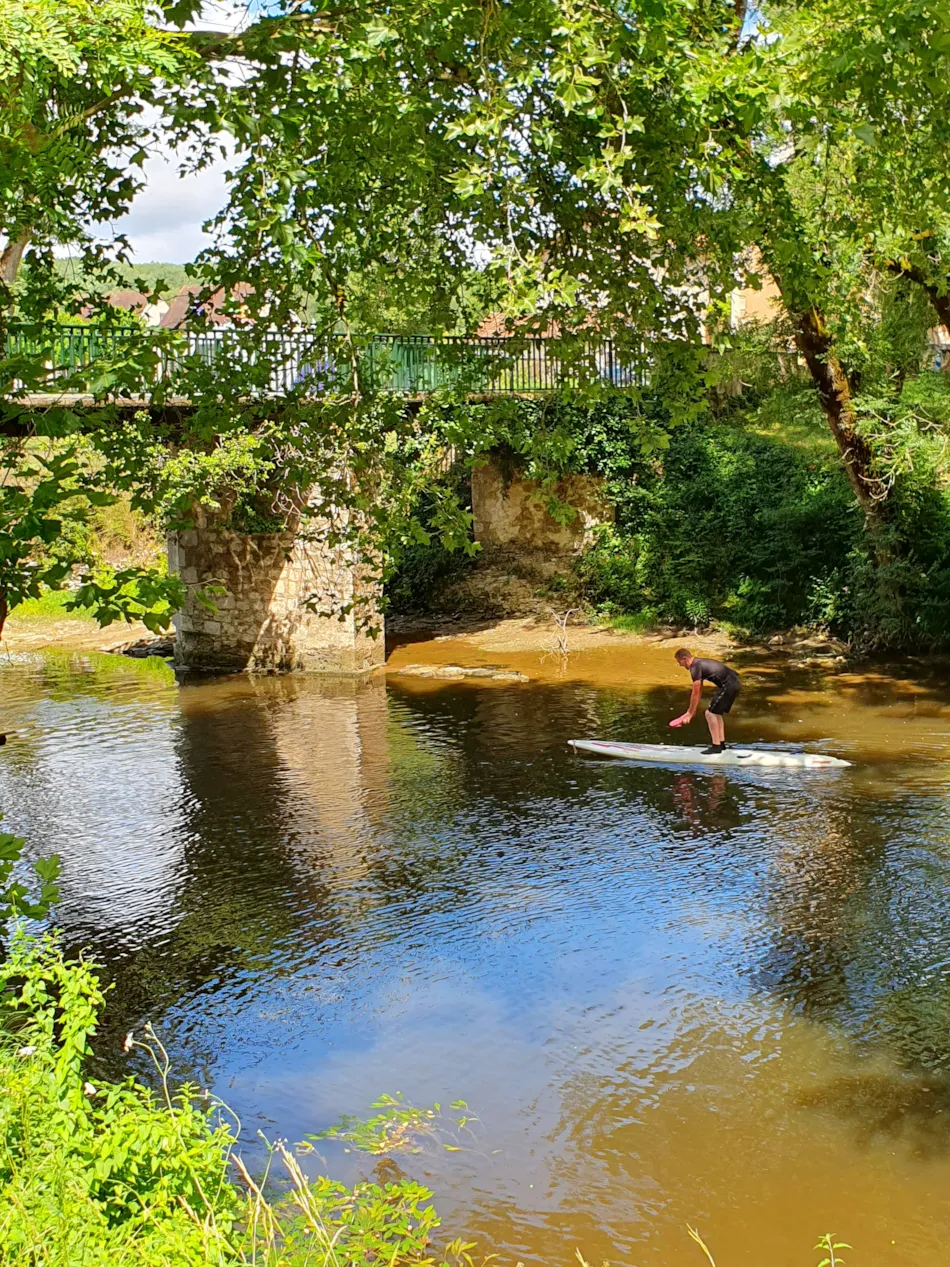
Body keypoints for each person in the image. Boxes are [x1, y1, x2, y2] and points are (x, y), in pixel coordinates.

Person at [670, 649, 740, 754]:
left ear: (685, 659)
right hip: (734, 684)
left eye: (679, 662)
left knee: (709, 713)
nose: (680, 665)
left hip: (729, 685)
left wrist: (690, 713)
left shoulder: (695, 667)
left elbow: (695, 692)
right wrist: (691, 712)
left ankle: (716, 747)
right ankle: (721, 744)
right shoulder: (699, 663)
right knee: (716, 713)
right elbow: (699, 690)